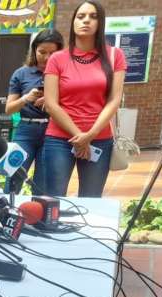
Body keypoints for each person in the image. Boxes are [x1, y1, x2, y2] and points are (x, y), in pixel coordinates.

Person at [42, 0, 126, 197]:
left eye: (93, 16)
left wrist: (90, 135)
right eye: (81, 16)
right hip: (60, 139)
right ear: (73, 22)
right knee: (52, 199)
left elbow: (114, 100)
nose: (86, 20)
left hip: (99, 139)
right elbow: (51, 104)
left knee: (91, 198)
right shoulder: (57, 58)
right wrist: (80, 137)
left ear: (101, 22)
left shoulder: (115, 55)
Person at [4, 29, 64, 195]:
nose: (47, 57)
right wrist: (26, 98)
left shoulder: (65, 74)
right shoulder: (21, 73)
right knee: (14, 176)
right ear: (34, 50)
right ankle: (4, 216)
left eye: (53, 53)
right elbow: (9, 109)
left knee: (42, 184)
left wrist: (51, 99)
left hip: (53, 131)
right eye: (42, 52)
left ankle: (38, 218)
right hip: (26, 131)